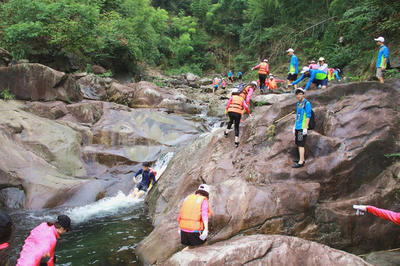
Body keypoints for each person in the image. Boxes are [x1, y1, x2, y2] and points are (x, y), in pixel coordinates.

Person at [178, 184, 212, 250]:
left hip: (183, 232)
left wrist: (179, 228)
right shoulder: (203, 200)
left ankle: (185, 252)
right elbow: (204, 215)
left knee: (191, 246)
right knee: (204, 245)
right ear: (207, 194)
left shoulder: (188, 198)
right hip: (194, 232)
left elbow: (180, 214)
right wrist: (206, 230)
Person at [292, 88, 311, 168]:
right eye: (297, 94)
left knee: (301, 144)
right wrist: (294, 126)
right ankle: (301, 158)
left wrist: (305, 128)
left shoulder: (307, 103)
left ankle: (301, 162)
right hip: (298, 126)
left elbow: (308, 116)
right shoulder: (298, 104)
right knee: (298, 143)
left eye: (300, 93)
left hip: (302, 128)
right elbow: (297, 115)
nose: (298, 96)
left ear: (303, 94)